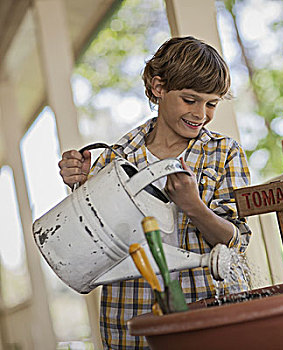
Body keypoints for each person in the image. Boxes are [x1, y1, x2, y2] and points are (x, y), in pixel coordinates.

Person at [58, 36, 251, 349]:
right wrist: (77, 184)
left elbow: (235, 243)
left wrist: (194, 206)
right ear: (159, 87)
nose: (201, 114)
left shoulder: (224, 153)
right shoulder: (115, 158)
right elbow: (93, 240)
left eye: (211, 104)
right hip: (134, 318)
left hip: (211, 312)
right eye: (190, 100)